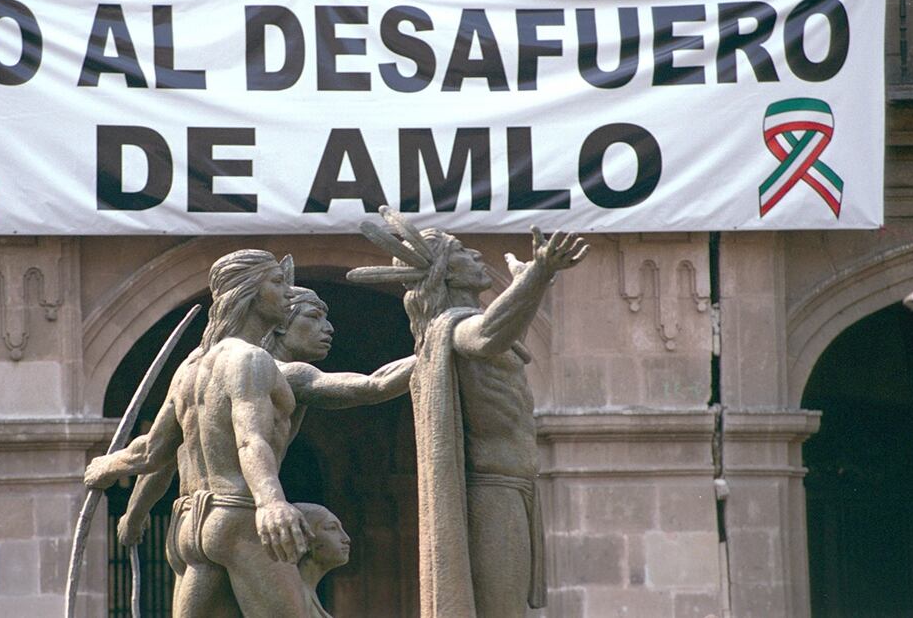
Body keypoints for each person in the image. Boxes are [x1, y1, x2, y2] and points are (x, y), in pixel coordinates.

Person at [86, 265, 413, 617]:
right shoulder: (255, 361)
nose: (287, 293)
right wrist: (271, 502)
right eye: (276, 283)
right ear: (248, 294)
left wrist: (113, 479)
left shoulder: (190, 367)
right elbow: (251, 440)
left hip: (189, 526)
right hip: (239, 517)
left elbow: (154, 452)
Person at [348, 206, 588, 618]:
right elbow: (489, 336)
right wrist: (539, 274)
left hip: (514, 489)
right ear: (445, 272)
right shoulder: (454, 327)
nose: (477, 256)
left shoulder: (462, 328)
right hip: (492, 490)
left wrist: (526, 287)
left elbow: (501, 330)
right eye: (462, 251)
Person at [293, 502, 351, 618]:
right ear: (304, 538)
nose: (346, 539)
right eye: (332, 528)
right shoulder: (295, 595)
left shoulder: (307, 593)